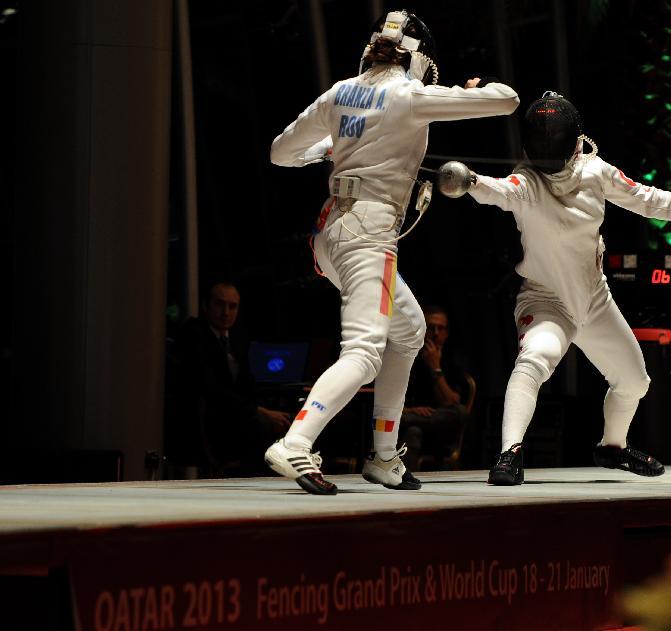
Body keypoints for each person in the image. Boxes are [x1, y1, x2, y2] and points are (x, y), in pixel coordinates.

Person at [264, 10, 519, 494]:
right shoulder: (408, 94)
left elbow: (280, 152)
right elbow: (506, 100)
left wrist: (328, 149)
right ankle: (295, 442)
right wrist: (470, 90)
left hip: (330, 233)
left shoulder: (340, 92)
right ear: (418, 56)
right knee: (363, 350)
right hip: (368, 233)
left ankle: (384, 455)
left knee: (409, 331)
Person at [458, 91, 671, 485]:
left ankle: (612, 447)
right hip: (547, 301)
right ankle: (508, 455)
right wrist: (471, 181)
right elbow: (497, 190)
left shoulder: (595, 172)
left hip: (594, 300)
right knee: (535, 360)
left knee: (635, 380)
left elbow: (647, 199)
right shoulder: (525, 181)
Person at [175, 282, 291, 475]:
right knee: (259, 428)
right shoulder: (194, 333)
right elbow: (211, 388)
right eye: (220, 305)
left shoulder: (236, 338)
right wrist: (261, 412)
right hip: (211, 418)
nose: (226, 312)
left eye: (232, 306)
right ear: (206, 306)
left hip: (237, 411)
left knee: (289, 419)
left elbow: (248, 383)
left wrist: (267, 410)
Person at [400, 306, 471, 471]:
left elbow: (451, 402)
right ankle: (403, 480)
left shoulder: (452, 360)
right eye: (431, 328)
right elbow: (389, 399)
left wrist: (436, 369)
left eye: (441, 328)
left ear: (446, 333)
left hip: (440, 428)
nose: (436, 333)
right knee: (413, 431)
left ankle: (407, 419)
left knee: (460, 412)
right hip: (409, 426)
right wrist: (410, 410)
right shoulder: (406, 357)